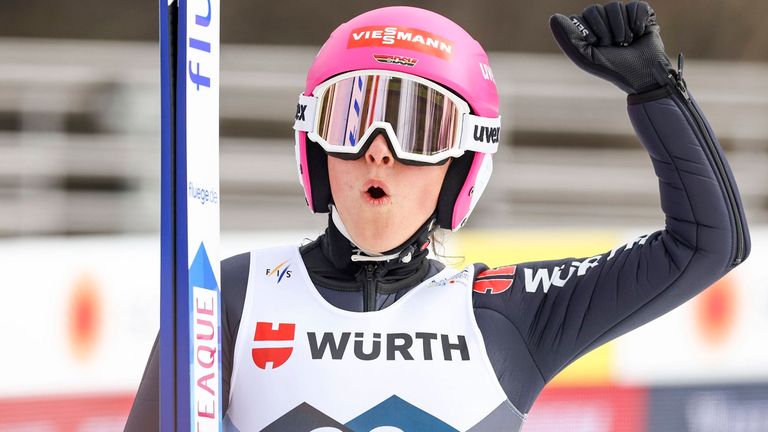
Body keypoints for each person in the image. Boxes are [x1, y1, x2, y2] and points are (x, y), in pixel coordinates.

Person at [126, 2, 751, 431]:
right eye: (351, 119)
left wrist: (657, 91)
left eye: (418, 130)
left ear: (461, 163)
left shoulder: (508, 310)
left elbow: (708, 243)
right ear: (313, 143)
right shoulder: (228, 295)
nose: (378, 149)